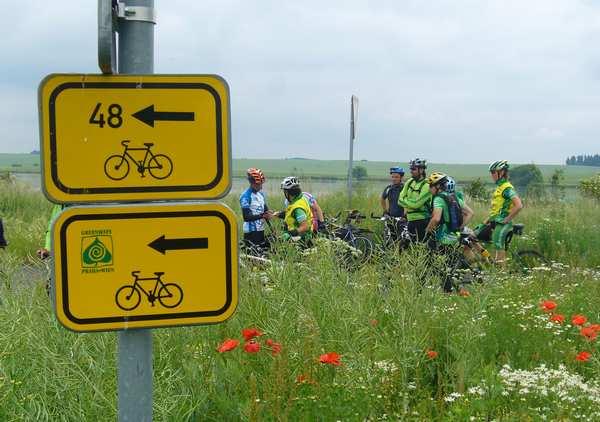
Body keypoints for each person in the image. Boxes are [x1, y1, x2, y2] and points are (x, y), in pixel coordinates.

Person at [482, 160, 523, 264]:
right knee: (473, 237)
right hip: (495, 222)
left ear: (502, 172)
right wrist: (488, 219)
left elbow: (519, 205)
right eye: (491, 173)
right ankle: (490, 266)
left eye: (493, 172)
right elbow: (497, 208)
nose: (491, 175)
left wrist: (507, 219)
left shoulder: (507, 188)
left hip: (502, 224)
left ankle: (502, 276)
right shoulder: (500, 187)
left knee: (499, 254)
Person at [239, 168, 274, 253]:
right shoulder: (245, 196)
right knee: (253, 257)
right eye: (259, 184)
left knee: (263, 254)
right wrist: (262, 215)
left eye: (262, 184)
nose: (261, 187)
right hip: (251, 232)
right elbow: (246, 217)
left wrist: (272, 229)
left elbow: (266, 213)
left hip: (260, 230)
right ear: (252, 183)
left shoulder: (261, 195)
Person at [398, 158, 431, 242]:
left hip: (422, 220)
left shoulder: (427, 185)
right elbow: (399, 200)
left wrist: (405, 200)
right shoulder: (409, 182)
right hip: (410, 219)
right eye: (410, 169)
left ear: (421, 170)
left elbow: (417, 204)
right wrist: (409, 203)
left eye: (413, 169)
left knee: (419, 248)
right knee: (404, 246)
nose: (411, 171)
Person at [277, 176, 314, 245]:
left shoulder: (298, 208)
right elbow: (292, 214)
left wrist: (291, 233)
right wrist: (278, 214)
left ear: (288, 193)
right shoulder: (300, 199)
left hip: (301, 239)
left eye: (284, 191)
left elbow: (305, 226)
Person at [380, 166, 406, 241]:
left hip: (401, 218)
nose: (394, 179)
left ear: (401, 177)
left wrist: (404, 215)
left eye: (396, 177)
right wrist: (385, 211)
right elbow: (382, 199)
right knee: (391, 238)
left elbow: (407, 203)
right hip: (391, 217)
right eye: (393, 177)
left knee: (402, 239)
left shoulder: (404, 188)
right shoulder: (389, 188)